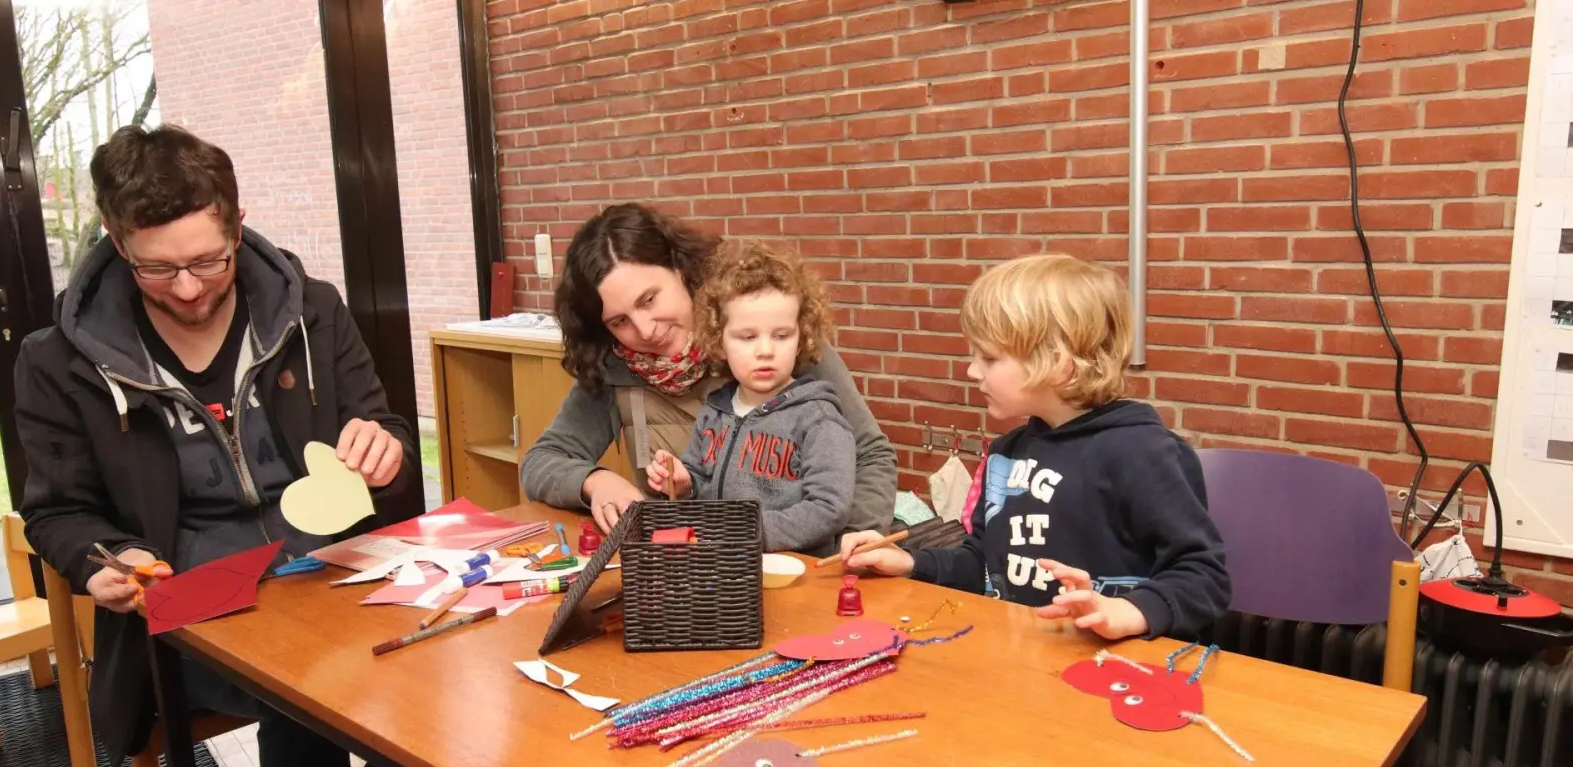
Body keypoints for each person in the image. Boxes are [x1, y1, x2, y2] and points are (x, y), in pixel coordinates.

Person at [14, 124, 422, 767]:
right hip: (194, 599)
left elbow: (387, 431)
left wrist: (383, 449)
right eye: (157, 269)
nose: (189, 287)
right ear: (116, 242)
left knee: (461, 656)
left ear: (239, 225)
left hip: (335, 570)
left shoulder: (311, 309)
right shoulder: (58, 363)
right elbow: (58, 514)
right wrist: (107, 560)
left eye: (209, 260)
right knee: (303, 682)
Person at [842, 254, 1230, 640]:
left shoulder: (1143, 454)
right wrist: (910, 562)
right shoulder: (1005, 454)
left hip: (1116, 675)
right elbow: (983, 565)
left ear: (1059, 365)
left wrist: (1128, 611)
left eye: (989, 358)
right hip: (1023, 666)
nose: (972, 371)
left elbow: (1204, 577)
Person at [521, 203, 896, 535]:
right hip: (704, 576)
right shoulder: (614, 367)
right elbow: (540, 462)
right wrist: (595, 481)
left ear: (680, 270)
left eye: (650, 299)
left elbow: (871, 457)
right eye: (620, 321)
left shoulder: (771, 338)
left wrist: (844, 547)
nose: (646, 330)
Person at [646, 241, 855, 554]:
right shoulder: (714, 412)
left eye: (781, 335)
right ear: (719, 343)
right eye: (747, 337)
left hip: (794, 573)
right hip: (723, 567)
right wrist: (684, 482)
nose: (766, 350)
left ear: (801, 339)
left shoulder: (818, 418)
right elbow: (701, 485)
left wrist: (748, 534)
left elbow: (829, 508)